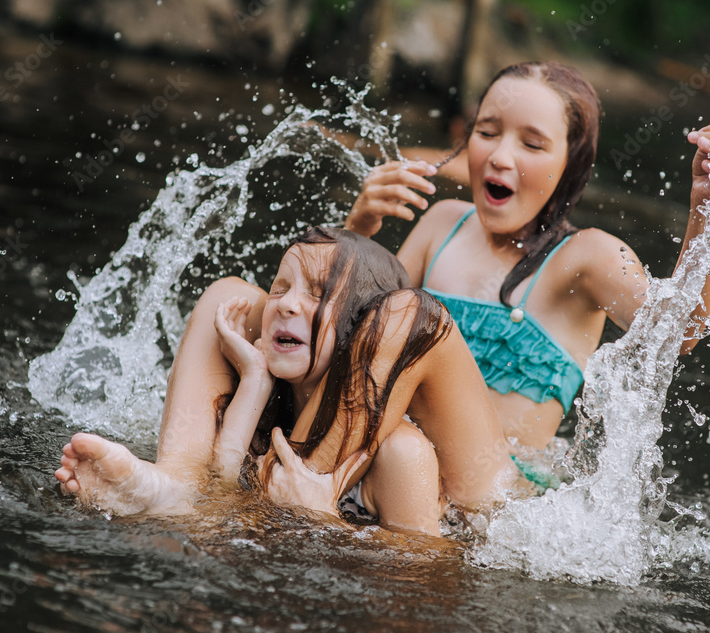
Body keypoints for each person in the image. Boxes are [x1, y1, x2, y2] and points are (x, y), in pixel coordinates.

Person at [343, 61, 710, 457]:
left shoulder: (587, 256)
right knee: (279, 304)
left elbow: (680, 330)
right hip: (389, 466)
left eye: (532, 144)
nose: (500, 156)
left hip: (488, 500)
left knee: (403, 448)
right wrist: (358, 229)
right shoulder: (440, 224)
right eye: (487, 131)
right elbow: (347, 337)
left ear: (569, 165)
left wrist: (704, 206)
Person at [55, 227, 526, 535]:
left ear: (362, 333)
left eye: (316, 294)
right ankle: (169, 483)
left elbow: (428, 580)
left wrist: (325, 523)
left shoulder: (402, 455)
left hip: (483, 526)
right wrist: (256, 381)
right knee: (228, 293)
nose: (284, 303)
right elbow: (227, 479)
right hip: (282, 497)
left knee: (409, 310)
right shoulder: (271, 401)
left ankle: (177, 504)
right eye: (281, 286)